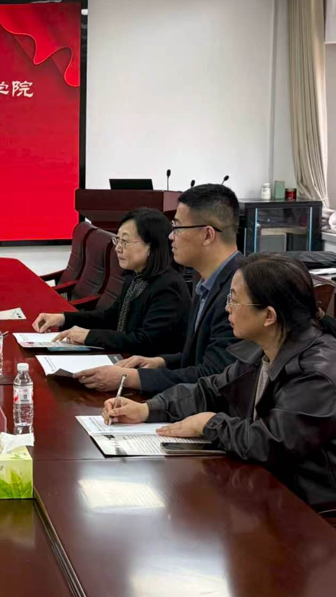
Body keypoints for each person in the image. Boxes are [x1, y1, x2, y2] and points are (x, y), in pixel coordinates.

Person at [103, 254, 336, 516]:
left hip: (309, 511)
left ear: (269, 316)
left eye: (234, 299)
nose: (228, 308)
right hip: (263, 486)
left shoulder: (318, 373)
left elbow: (270, 442)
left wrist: (208, 423)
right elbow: (210, 390)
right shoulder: (264, 347)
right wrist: (147, 409)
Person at [75, 184, 242, 393]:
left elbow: (214, 375)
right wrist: (162, 361)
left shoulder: (240, 291)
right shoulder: (207, 285)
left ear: (207, 235)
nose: (171, 236)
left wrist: (131, 378)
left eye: (178, 228)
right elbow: (198, 357)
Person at [32, 208, 190, 356]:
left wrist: (89, 336)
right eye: (117, 240)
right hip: (124, 358)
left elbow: (145, 342)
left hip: (147, 369)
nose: (118, 248)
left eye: (125, 241)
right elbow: (110, 318)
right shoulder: (135, 277)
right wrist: (63, 318)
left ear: (152, 246)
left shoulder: (168, 287)